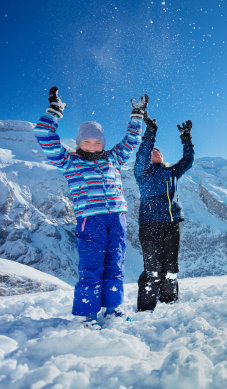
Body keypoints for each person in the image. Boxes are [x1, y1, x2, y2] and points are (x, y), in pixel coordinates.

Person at [34, 87, 147, 327]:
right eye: (87, 141)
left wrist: (137, 117)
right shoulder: (69, 162)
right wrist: (54, 111)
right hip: (90, 220)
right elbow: (44, 136)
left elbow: (131, 142)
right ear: (79, 143)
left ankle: (112, 309)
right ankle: (87, 315)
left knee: (115, 265)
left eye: (97, 142)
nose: (93, 146)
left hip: (117, 219)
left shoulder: (112, 159)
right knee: (91, 268)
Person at [134, 112, 194, 311]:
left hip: (172, 224)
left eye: (157, 151)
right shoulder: (142, 174)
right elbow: (143, 153)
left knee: (171, 269)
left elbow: (188, 160)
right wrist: (151, 132)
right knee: (152, 270)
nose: (154, 152)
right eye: (152, 152)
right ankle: (145, 309)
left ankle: (169, 304)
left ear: (162, 156)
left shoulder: (171, 173)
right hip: (150, 225)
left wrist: (186, 138)